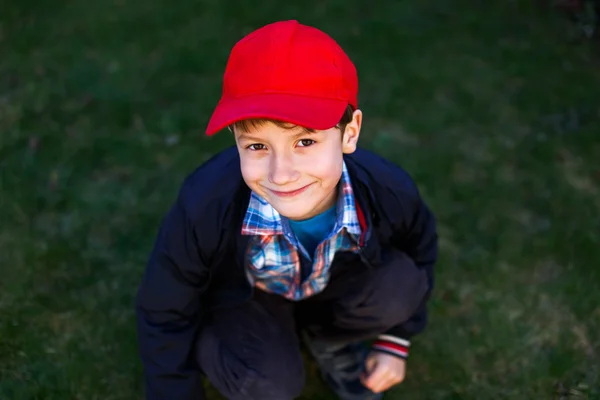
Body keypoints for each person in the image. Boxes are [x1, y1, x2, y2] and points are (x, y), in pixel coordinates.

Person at [136, 19, 438, 400]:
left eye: (305, 141)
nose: (281, 174)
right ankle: (223, 340)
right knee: (269, 386)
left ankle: (329, 338)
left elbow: (421, 251)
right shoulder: (205, 205)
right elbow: (162, 308)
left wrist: (396, 339)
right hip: (248, 299)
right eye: (257, 147)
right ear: (236, 140)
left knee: (401, 286)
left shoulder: (387, 190)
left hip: (331, 285)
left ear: (350, 133)